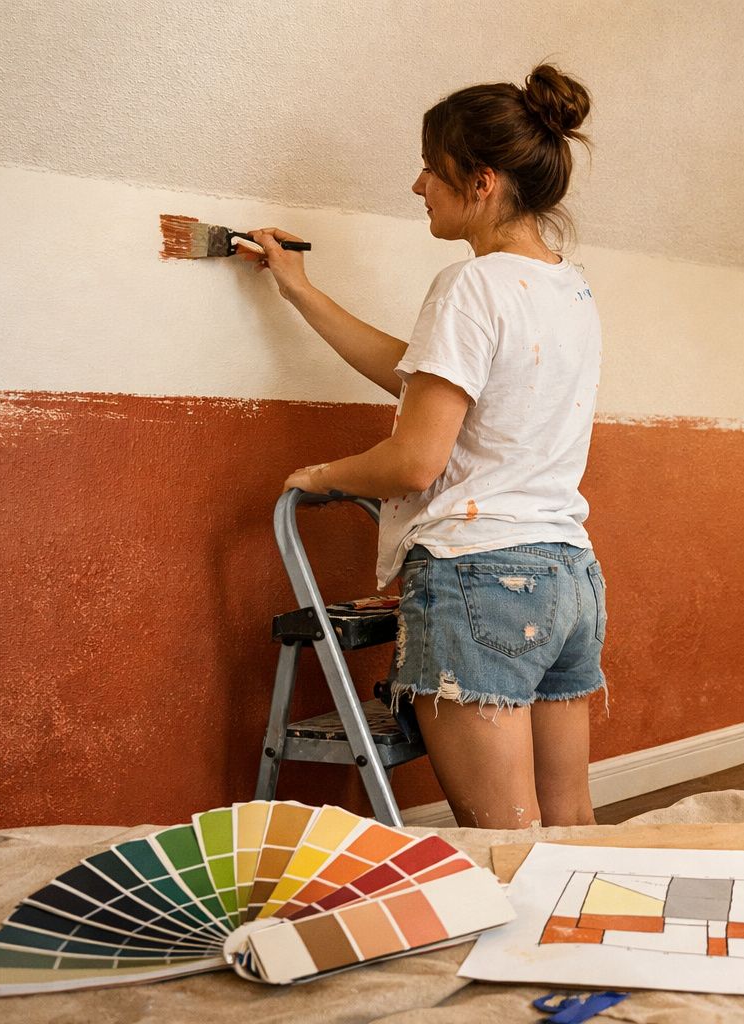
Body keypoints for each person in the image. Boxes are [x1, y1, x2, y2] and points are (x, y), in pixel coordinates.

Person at [248, 64, 604, 829]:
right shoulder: (567, 288)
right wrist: (302, 290)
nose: (416, 186)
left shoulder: (469, 286)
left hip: (481, 579)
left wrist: (322, 474)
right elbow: (422, 377)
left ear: (479, 181)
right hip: (567, 575)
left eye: (429, 169)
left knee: (504, 843)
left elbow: (414, 462)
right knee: (569, 822)